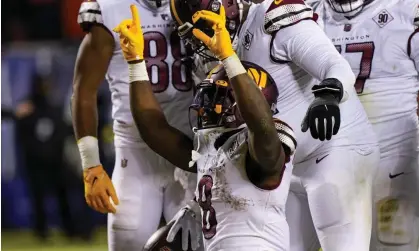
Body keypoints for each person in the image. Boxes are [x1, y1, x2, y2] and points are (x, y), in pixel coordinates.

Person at [170, 0, 380, 250]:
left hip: (336, 148)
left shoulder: (270, 20)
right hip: (285, 166)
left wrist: (328, 94)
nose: (203, 37)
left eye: (203, 23)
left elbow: (334, 65)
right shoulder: (220, 52)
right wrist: (197, 203)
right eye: (195, 32)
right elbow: (213, 151)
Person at [113, 4, 297, 250]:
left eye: (217, 97)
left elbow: (260, 127)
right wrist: (135, 61)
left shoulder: (268, 145)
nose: (206, 106)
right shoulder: (211, 150)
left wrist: (229, 58)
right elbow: (153, 129)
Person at [73, 0, 197, 249]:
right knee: (128, 242)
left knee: (201, 243)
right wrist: (91, 166)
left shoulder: (197, 4)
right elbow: (83, 91)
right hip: (135, 152)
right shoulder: (109, 9)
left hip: (190, 152)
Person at [307, 0, 419, 250]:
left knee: (393, 244)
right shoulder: (305, 13)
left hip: (392, 161)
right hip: (327, 162)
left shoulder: (407, 10)